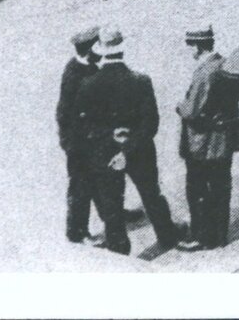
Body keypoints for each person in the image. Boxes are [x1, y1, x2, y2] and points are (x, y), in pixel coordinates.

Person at [77, 28, 182, 254]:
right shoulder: (141, 81)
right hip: (140, 150)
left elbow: (86, 127)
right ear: (122, 51)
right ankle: (167, 235)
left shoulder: (87, 84)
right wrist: (127, 147)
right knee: (151, 195)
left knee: (111, 203)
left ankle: (119, 248)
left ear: (101, 52)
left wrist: (111, 136)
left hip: (105, 153)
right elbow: (151, 123)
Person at [174, 26, 239, 252]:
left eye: (190, 46)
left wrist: (179, 106)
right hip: (225, 139)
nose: (189, 51)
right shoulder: (227, 64)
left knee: (197, 190)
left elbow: (192, 110)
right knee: (221, 188)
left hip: (203, 143)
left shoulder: (205, 73)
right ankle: (220, 236)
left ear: (197, 46)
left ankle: (201, 237)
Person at [59, 26, 101, 244]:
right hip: (79, 143)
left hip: (92, 138)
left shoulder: (89, 66)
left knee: (100, 178)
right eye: (98, 45)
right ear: (89, 49)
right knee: (80, 186)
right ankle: (77, 232)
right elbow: (63, 113)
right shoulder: (73, 75)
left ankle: (111, 213)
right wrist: (71, 145)